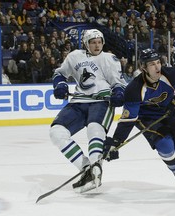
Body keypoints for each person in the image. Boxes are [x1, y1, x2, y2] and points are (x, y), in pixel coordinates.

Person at [103, 48, 175, 190]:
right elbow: (129, 119)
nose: (157, 66)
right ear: (143, 67)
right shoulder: (134, 88)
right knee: (166, 145)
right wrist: (117, 141)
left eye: (158, 62)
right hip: (147, 118)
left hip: (170, 112)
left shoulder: (171, 74)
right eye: (152, 64)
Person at [49, 29, 127, 193]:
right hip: (79, 101)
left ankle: (96, 168)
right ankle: (87, 168)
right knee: (56, 132)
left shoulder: (109, 59)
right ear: (86, 43)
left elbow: (118, 83)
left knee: (94, 128)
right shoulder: (74, 56)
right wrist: (60, 85)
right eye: (93, 42)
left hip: (102, 102)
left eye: (99, 42)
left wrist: (119, 93)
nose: (97, 45)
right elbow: (59, 74)